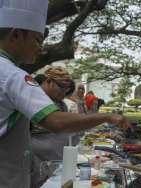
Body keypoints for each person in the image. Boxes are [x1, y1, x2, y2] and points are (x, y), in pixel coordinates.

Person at [0, 1, 129, 187]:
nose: (41, 49)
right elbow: (57, 122)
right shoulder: (13, 76)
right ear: (16, 34)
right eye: (37, 40)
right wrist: (107, 116)